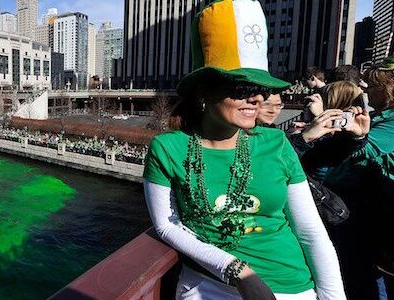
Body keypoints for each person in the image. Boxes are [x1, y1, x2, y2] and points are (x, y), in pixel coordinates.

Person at [143, 1, 345, 299]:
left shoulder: (276, 143)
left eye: (260, 89)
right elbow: (167, 226)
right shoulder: (167, 148)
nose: (256, 99)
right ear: (204, 93)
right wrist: (237, 270)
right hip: (211, 285)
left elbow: (311, 233)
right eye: (241, 89)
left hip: (292, 287)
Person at [325, 55, 394, 299]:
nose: (365, 91)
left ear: (388, 89)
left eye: (372, 86)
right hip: (356, 202)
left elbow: (361, 151)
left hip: (364, 205)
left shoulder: (392, 121)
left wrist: (346, 135)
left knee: (365, 276)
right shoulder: (378, 117)